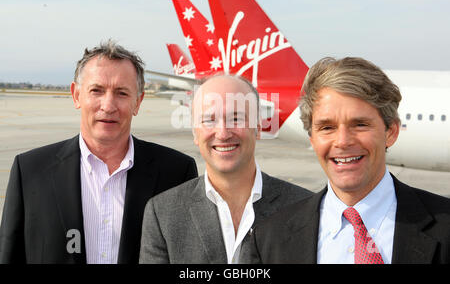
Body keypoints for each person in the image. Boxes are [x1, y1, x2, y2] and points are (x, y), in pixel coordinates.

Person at [0, 40, 198, 264]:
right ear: (76, 96)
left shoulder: (176, 173)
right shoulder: (29, 172)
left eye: (122, 93)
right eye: (96, 91)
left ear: (138, 102)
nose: (108, 105)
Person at [249, 57, 450, 264]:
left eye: (360, 125)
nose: (343, 141)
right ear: (312, 138)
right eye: (327, 127)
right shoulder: (269, 238)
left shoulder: (445, 228)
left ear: (391, 132)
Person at [139, 74, 312, 264]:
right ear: (195, 132)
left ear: (259, 127)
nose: (222, 133)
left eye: (236, 118)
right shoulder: (163, 213)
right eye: (209, 120)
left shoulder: (305, 208)